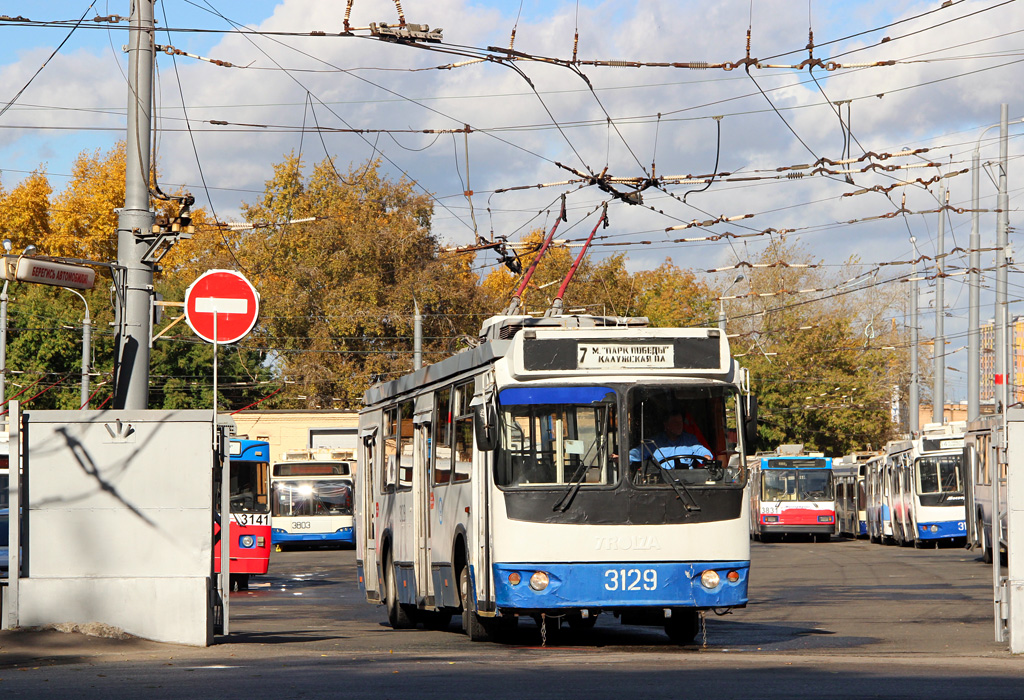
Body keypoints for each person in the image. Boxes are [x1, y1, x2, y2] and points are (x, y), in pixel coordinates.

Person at [629, 410, 713, 468]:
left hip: (687, 481)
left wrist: (706, 456)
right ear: (666, 425)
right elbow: (639, 452)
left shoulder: (690, 440)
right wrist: (625, 458)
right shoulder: (654, 442)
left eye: (680, 422)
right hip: (662, 483)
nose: (679, 425)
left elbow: (700, 450)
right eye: (675, 423)